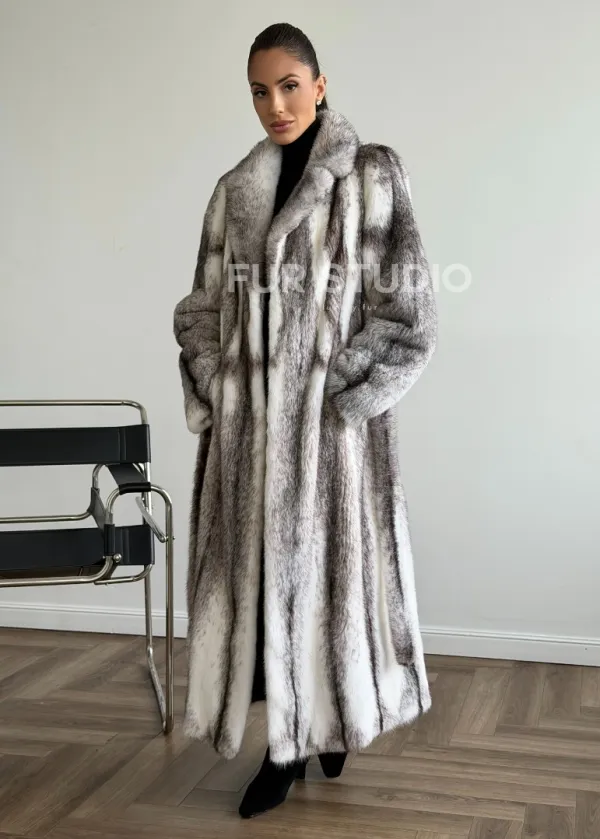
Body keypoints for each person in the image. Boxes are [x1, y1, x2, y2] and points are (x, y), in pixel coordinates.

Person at [173, 21, 437, 820]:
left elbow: (408, 314)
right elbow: (200, 309)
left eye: (290, 86)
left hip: (331, 443)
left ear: (320, 85)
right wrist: (220, 384)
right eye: (260, 91)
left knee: (329, 589)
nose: (276, 105)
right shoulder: (235, 191)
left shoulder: (371, 176)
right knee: (262, 592)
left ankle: (312, 734)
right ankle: (294, 737)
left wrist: (338, 394)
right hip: (248, 446)